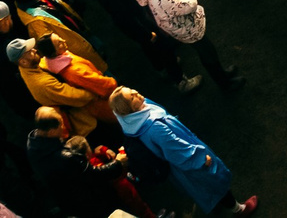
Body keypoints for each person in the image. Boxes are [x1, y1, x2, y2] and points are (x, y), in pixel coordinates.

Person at [109, 86, 259, 215]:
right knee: (215, 182)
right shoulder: (153, 128)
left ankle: (216, 205)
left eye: (132, 91)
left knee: (203, 189)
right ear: (129, 108)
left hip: (180, 166)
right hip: (189, 162)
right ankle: (239, 209)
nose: (136, 93)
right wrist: (200, 160)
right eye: (132, 97)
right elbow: (177, 151)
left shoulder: (135, 117)